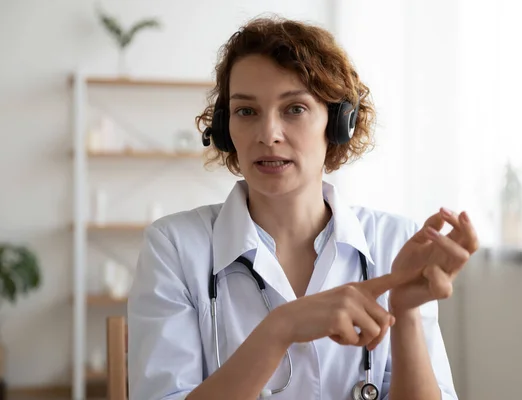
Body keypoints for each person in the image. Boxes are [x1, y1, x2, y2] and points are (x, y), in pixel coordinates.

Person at [127, 15, 478, 400]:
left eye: (294, 108)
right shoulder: (174, 248)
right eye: (246, 111)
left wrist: (406, 314)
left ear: (339, 123)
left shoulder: (394, 241)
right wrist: (281, 328)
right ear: (226, 129)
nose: (268, 134)